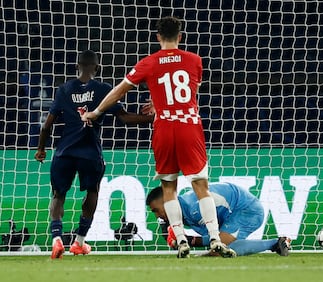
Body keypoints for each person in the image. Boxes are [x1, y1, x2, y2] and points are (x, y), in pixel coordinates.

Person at [82, 16, 232, 258]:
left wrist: (96, 111)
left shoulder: (148, 63)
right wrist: (163, 100)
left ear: (158, 37)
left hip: (164, 129)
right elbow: (189, 93)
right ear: (180, 36)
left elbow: (119, 90)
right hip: (189, 127)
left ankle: (180, 239)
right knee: (200, 186)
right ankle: (215, 238)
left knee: (168, 187)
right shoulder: (195, 61)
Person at [35, 50, 154, 259]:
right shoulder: (104, 89)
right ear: (97, 68)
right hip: (90, 152)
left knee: (58, 195)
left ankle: (56, 240)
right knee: (92, 192)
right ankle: (79, 242)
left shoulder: (64, 90)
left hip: (65, 151)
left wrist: (41, 148)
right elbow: (125, 118)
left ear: (76, 67)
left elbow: (47, 126)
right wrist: (152, 119)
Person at [146, 182, 292, 257]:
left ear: (167, 202)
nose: (157, 216)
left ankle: (277, 243)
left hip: (247, 210)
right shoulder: (183, 210)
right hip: (232, 213)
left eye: (156, 210)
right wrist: (189, 240)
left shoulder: (194, 209)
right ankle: (277, 243)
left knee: (218, 250)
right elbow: (213, 235)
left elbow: (216, 240)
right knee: (218, 247)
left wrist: (192, 242)